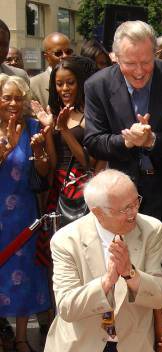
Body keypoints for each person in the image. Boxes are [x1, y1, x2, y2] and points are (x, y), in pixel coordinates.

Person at [43, 169, 162, 352]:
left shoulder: (151, 230)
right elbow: (67, 307)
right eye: (123, 209)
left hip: (133, 347)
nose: (132, 213)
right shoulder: (66, 240)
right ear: (97, 211)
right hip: (84, 347)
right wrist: (106, 281)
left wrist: (130, 274)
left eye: (135, 202)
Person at [84, 20, 162, 252]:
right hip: (125, 198)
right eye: (130, 63)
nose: (139, 72)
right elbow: (93, 141)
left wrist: (152, 140)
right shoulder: (97, 85)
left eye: (146, 62)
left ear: (155, 54)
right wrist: (125, 141)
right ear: (114, 57)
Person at [0, 74, 53, 352]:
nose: (13, 103)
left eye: (18, 97)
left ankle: (21, 338)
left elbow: (45, 173)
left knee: (22, 273)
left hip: (23, 212)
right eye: (7, 97)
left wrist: (38, 150)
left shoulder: (34, 127)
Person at [32, 57, 104, 231]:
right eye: (59, 84)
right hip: (58, 189)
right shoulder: (55, 115)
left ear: (80, 83)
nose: (64, 89)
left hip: (83, 188)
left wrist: (64, 129)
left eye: (70, 83)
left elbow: (89, 162)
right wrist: (49, 128)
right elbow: (54, 163)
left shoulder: (91, 115)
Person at [30, 32, 73, 106]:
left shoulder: (81, 80)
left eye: (68, 52)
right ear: (47, 57)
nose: (65, 56)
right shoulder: (34, 84)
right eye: (58, 53)